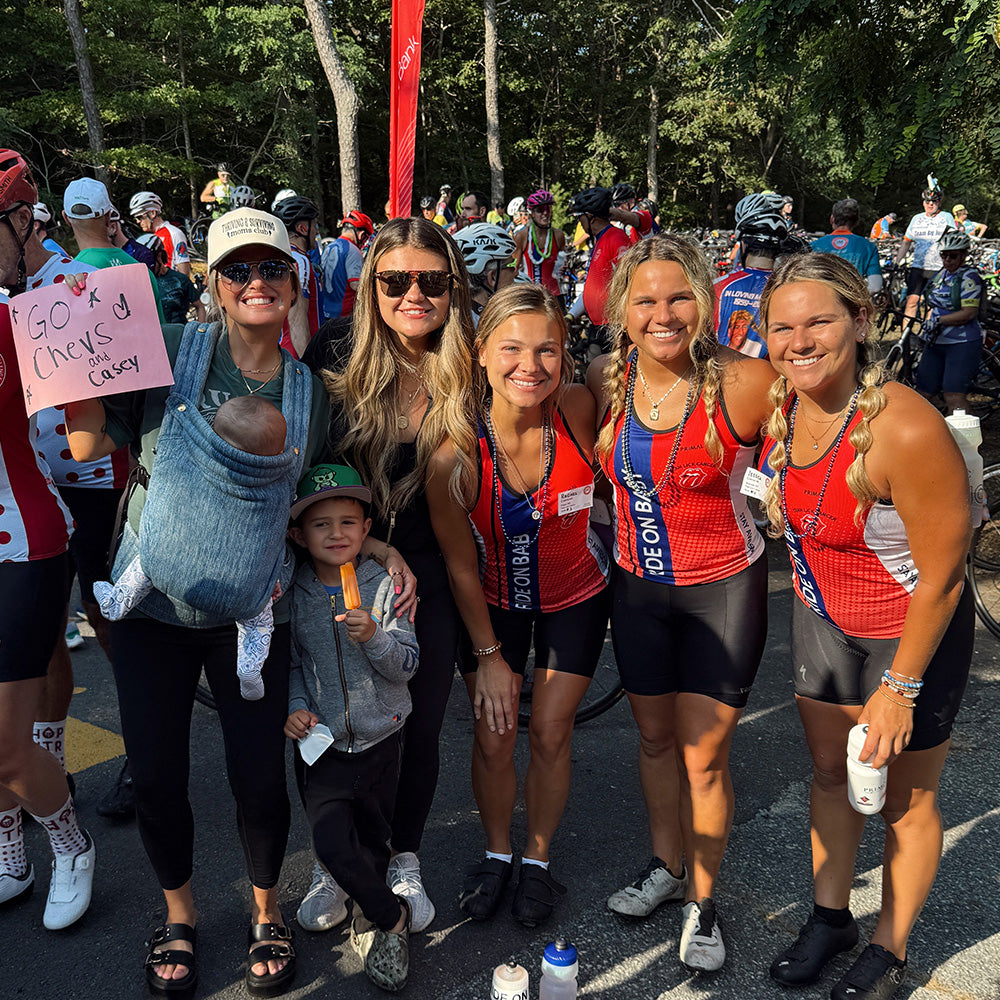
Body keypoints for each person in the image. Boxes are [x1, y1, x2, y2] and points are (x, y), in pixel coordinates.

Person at [64, 207, 415, 998]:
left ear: (295, 281)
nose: (258, 282)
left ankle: (266, 912)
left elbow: (323, 501)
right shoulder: (163, 351)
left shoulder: (311, 392)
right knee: (157, 775)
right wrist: (74, 380)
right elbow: (87, 443)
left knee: (258, 778)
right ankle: (179, 916)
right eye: (238, 269)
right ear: (214, 283)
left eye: (273, 267)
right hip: (153, 611)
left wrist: (378, 548)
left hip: (257, 611)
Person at [759, 252, 974, 1000]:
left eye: (819, 321)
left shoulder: (903, 428)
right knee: (831, 774)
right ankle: (830, 919)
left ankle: (890, 948)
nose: (799, 342)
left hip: (910, 635)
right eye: (781, 327)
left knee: (903, 801)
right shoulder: (783, 408)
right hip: (824, 623)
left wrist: (900, 687)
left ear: (861, 320)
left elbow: (945, 576)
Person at [590, 233, 774, 972]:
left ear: (704, 300)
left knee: (703, 757)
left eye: (678, 298)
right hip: (638, 590)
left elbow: (831, 434)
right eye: (645, 301)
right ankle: (667, 866)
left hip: (722, 589)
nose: (663, 315)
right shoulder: (605, 378)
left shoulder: (747, 381)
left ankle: (703, 898)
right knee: (654, 741)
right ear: (621, 311)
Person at [426, 285, 610, 928]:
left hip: (576, 597)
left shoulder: (580, 408)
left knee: (551, 732)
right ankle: (497, 852)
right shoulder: (455, 454)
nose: (529, 366)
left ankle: (537, 858)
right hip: (493, 607)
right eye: (511, 349)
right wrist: (489, 657)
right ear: (480, 352)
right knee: (495, 733)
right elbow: (459, 566)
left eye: (546, 350)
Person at [318, 216, 476, 936]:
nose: (414, 294)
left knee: (420, 722)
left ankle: (403, 857)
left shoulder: (471, 362)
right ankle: (342, 859)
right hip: (343, 567)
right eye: (395, 280)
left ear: (453, 288)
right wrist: (373, 548)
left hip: (434, 575)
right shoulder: (335, 351)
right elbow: (308, 473)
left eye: (432, 280)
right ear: (370, 286)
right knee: (340, 717)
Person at [0, 148, 96, 933]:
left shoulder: (33, 309)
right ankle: (10, 841)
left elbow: (94, 421)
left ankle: (70, 843)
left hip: (24, 537)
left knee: (6, 739)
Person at [284, 463, 419, 991]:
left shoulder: (386, 586)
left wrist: (375, 638)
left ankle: (369, 912)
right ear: (300, 535)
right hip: (323, 745)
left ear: (366, 530)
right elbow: (295, 664)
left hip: (382, 735)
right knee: (331, 840)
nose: (336, 533)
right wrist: (296, 707)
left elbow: (407, 665)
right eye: (321, 524)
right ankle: (392, 918)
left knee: (372, 840)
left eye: (347, 522)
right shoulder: (295, 592)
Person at [93, 395, 290, 701]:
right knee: (258, 621)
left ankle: (117, 601)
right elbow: (272, 537)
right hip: (241, 582)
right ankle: (250, 665)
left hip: (175, 559)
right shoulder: (275, 485)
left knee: (149, 556)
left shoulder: (202, 466)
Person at [62, 177, 166, 322]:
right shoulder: (142, 271)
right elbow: (160, 330)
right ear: (108, 217)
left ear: (66, 218)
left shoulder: (71, 278)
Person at [914, 228, 985, 414]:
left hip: (962, 343)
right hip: (936, 341)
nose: (947, 260)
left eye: (953, 256)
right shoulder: (941, 274)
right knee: (923, 393)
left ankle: (963, 433)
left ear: (963, 255)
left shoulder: (969, 277)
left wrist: (939, 320)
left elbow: (968, 313)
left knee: (954, 396)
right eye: (943, 255)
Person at [713, 191, 788, 359]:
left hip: (720, 370)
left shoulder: (718, 286)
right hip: (769, 373)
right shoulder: (787, 288)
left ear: (744, 246)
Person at [567, 186, 631, 329]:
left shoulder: (615, 238)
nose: (579, 222)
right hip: (598, 325)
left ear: (591, 217)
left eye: (580, 217)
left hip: (612, 325)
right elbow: (593, 287)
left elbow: (630, 279)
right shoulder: (599, 240)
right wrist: (571, 315)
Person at [271, 196, 322, 357]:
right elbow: (297, 322)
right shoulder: (299, 261)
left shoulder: (281, 258)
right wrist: (309, 365)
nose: (316, 231)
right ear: (302, 228)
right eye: (314, 225)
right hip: (296, 354)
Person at [895, 189, 955, 320]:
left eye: (934, 201)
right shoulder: (917, 219)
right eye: (928, 202)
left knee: (931, 304)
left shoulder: (946, 217)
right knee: (911, 301)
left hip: (938, 268)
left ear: (939, 202)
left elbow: (953, 241)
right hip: (918, 266)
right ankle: (906, 332)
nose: (930, 204)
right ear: (923, 203)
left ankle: (928, 331)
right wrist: (897, 261)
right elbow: (906, 241)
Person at [810, 199, 883, 293]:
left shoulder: (814, 246)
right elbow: (875, 286)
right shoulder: (869, 247)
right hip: (852, 299)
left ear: (832, 219)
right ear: (856, 221)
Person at [453, 221, 517, 324]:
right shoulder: (489, 326)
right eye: (511, 266)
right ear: (493, 277)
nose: (516, 273)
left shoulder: (458, 318)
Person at [317, 210, 374, 322]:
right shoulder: (353, 251)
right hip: (343, 314)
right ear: (361, 234)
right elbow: (355, 284)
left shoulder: (329, 247)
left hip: (325, 311)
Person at [136, 233, 206, 324]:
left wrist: (199, 329)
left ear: (159, 256)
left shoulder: (180, 280)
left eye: (149, 261)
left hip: (179, 331)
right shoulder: (140, 284)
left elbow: (200, 306)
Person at [514, 189, 567, 297]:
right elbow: (513, 268)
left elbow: (562, 264)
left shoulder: (558, 235)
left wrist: (564, 268)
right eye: (540, 210)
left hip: (554, 295)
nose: (545, 213)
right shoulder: (522, 236)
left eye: (548, 209)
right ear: (532, 213)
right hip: (531, 295)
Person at [129, 191, 192, 277]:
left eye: (139, 217)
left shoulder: (175, 234)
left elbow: (184, 274)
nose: (137, 221)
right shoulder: (150, 238)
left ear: (152, 213)